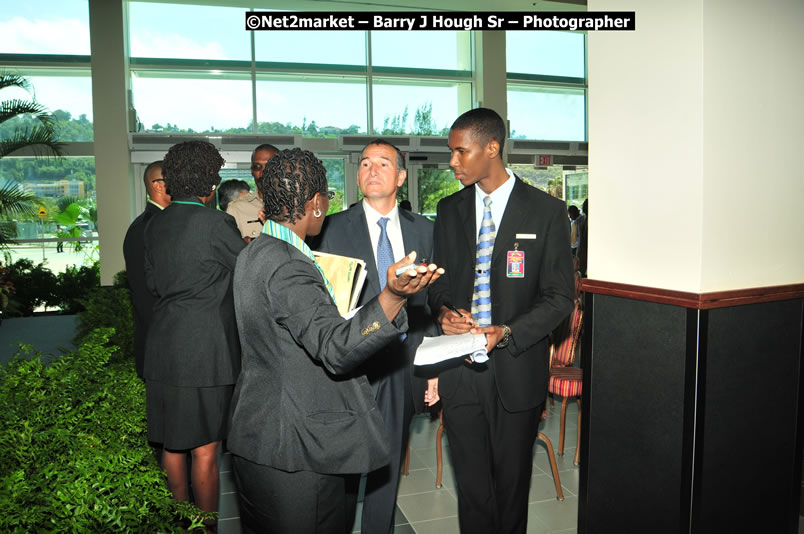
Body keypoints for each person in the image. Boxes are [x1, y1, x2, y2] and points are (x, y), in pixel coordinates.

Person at [227, 148, 443, 534]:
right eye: (325, 196)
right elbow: (336, 349)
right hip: (294, 447)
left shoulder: (256, 251)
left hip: (262, 433)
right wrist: (392, 295)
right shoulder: (288, 265)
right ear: (314, 204)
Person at [425, 108, 575, 534]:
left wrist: (507, 332)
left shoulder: (546, 212)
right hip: (460, 371)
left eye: (460, 151)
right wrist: (444, 312)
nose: (452, 161)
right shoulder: (449, 209)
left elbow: (560, 297)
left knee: (511, 489)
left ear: (492, 148)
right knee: (472, 490)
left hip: (516, 368)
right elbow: (440, 284)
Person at [316, 139, 436, 534]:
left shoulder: (425, 230)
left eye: (383, 163)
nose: (372, 169)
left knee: (388, 460)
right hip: (351, 365)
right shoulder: (332, 228)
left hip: (402, 363)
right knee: (347, 466)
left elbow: (432, 303)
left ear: (400, 176)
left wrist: (433, 364)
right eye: (365, 163)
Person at [143, 141, 246, 529]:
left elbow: (153, 284)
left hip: (163, 349)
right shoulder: (216, 223)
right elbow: (246, 273)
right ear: (209, 180)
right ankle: (205, 528)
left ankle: (178, 526)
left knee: (172, 445)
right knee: (205, 449)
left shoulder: (155, 225)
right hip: (205, 352)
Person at [122, 160, 171, 378]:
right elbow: (147, 296)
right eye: (176, 180)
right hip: (162, 346)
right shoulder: (149, 228)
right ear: (158, 185)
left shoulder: (157, 223)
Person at [227, 143, 278, 242]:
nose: (263, 173)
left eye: (269, 166)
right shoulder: (236, 208)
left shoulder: (295, 207)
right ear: (252, 171)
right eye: (257, 167)